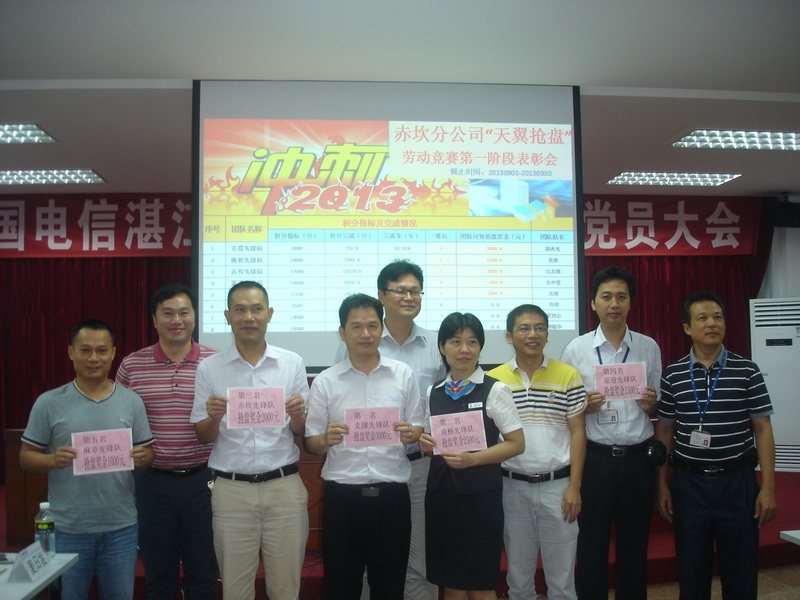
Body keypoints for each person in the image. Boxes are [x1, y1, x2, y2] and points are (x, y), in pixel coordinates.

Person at [190, 281, 309, 600]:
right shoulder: (209, 368)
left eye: (256, 309)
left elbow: (301, 430)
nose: (248, 317)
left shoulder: (292, 363)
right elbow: (202, 435)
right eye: (240, 310)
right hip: (231, 492)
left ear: (269, 313)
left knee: (286, 589)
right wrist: (214, 417)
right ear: (227, 316)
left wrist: (298, 414)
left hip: (283, 488)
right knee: (235, 589)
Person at [20, 319, 154, 600]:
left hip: (121, 527)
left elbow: (147, 453)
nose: (94, 358)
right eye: (85, 350)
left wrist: (144, 457)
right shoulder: (49, 402)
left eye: (102, 350)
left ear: (113, 353)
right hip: (68, 528)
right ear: (71, 352)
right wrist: (52, 460)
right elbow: (26, 457)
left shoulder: (132, 401)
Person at [655, 290, 776, 599]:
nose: (712, 323)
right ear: (687, 327)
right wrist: (662, 484)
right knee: (691, 572)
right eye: (703, 318)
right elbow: (665, 432)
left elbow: (763, 430)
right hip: (689, 485)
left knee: (741, 572)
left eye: (718, 317)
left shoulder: (747, 370)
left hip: (737, 483)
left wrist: (768, 488)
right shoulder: (673, 374)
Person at [335, 260, 446, 600]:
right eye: (400, 290)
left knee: (420, 557)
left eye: (415, 291)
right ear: (382, 296)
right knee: (370, 560)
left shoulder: (436, 344)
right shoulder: (361, 339)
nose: (408, 297)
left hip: (420, 465)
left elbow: (446, 401)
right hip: (370, 467)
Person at [305, 293, 425, 600]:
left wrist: (411, 433)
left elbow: (417, 425)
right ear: (342, 332)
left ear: (381, 329)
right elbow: (312, 443)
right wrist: (325, 439)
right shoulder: (326, 381)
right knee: (341, 587)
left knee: (390, 587)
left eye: (372, 325)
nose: (366, 333)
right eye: (356, 326)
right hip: (343, 498)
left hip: (392, 497)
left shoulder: (403, 374)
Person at [560, 266, 662, 600]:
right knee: (591, 544)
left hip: (637, 460)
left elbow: (657, 403)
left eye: (621, 296)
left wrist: (651, 403)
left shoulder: (648, 347)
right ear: (593, 303)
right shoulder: (576, 349)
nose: (614, 303)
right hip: (597, 460)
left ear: (631, 302)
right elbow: (567, 408)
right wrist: (584, 406)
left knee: (635, 545)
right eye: (606, 297)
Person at [115, 283, 218, 600]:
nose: (177, 320)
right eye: (168, 313)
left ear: (195, 317)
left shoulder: (216, 363)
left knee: (204, 572)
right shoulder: (132, 366)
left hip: (205, 481)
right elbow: (117, 420)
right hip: (152, 484)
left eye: (184, 312)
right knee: (158, 574)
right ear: (154, 319)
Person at [420, 312, 524, 600]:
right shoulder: (433, 392)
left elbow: (517, 444)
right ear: (442, 347)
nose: (464, 349)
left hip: (481, 498)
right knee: (450, 583)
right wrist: (425, 444)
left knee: (480, 585)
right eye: (455, 342)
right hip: (442, 495)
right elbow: (431, 442)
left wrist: (473, 459)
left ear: (480, 347)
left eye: (472, 342)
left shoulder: (495, 389)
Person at [487, 304, 586, 600]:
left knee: (562, 581)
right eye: (524, 328)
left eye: (539, 328)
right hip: (512, 487)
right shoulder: (494, 380)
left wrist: (574, 487)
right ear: (509, 336)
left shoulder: (568, 375)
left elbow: (578, 432)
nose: (533, 334)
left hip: (559, 488)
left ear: (547, 334)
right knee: (518, 580)